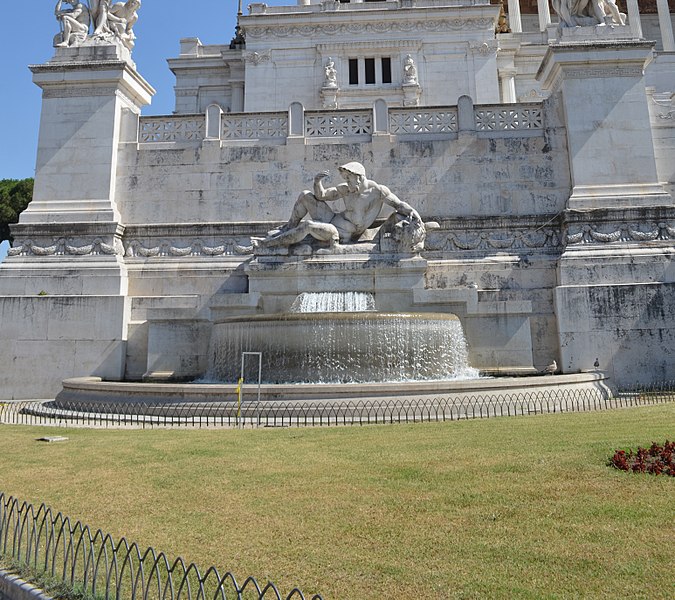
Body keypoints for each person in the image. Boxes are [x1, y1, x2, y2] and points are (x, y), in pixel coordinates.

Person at [253, 162, 422, 251]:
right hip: (333, 221)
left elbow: (398, 205)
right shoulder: (345, 189)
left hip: (339, 232)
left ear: (360, 177)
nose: (346, 181)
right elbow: (321, 196)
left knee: (308, 226)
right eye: (346, 178)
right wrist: (317, 182)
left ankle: (270, 244)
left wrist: (413, 212)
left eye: (349, 178)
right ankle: (289, 227)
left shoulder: (378, 191)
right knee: (305, 195)